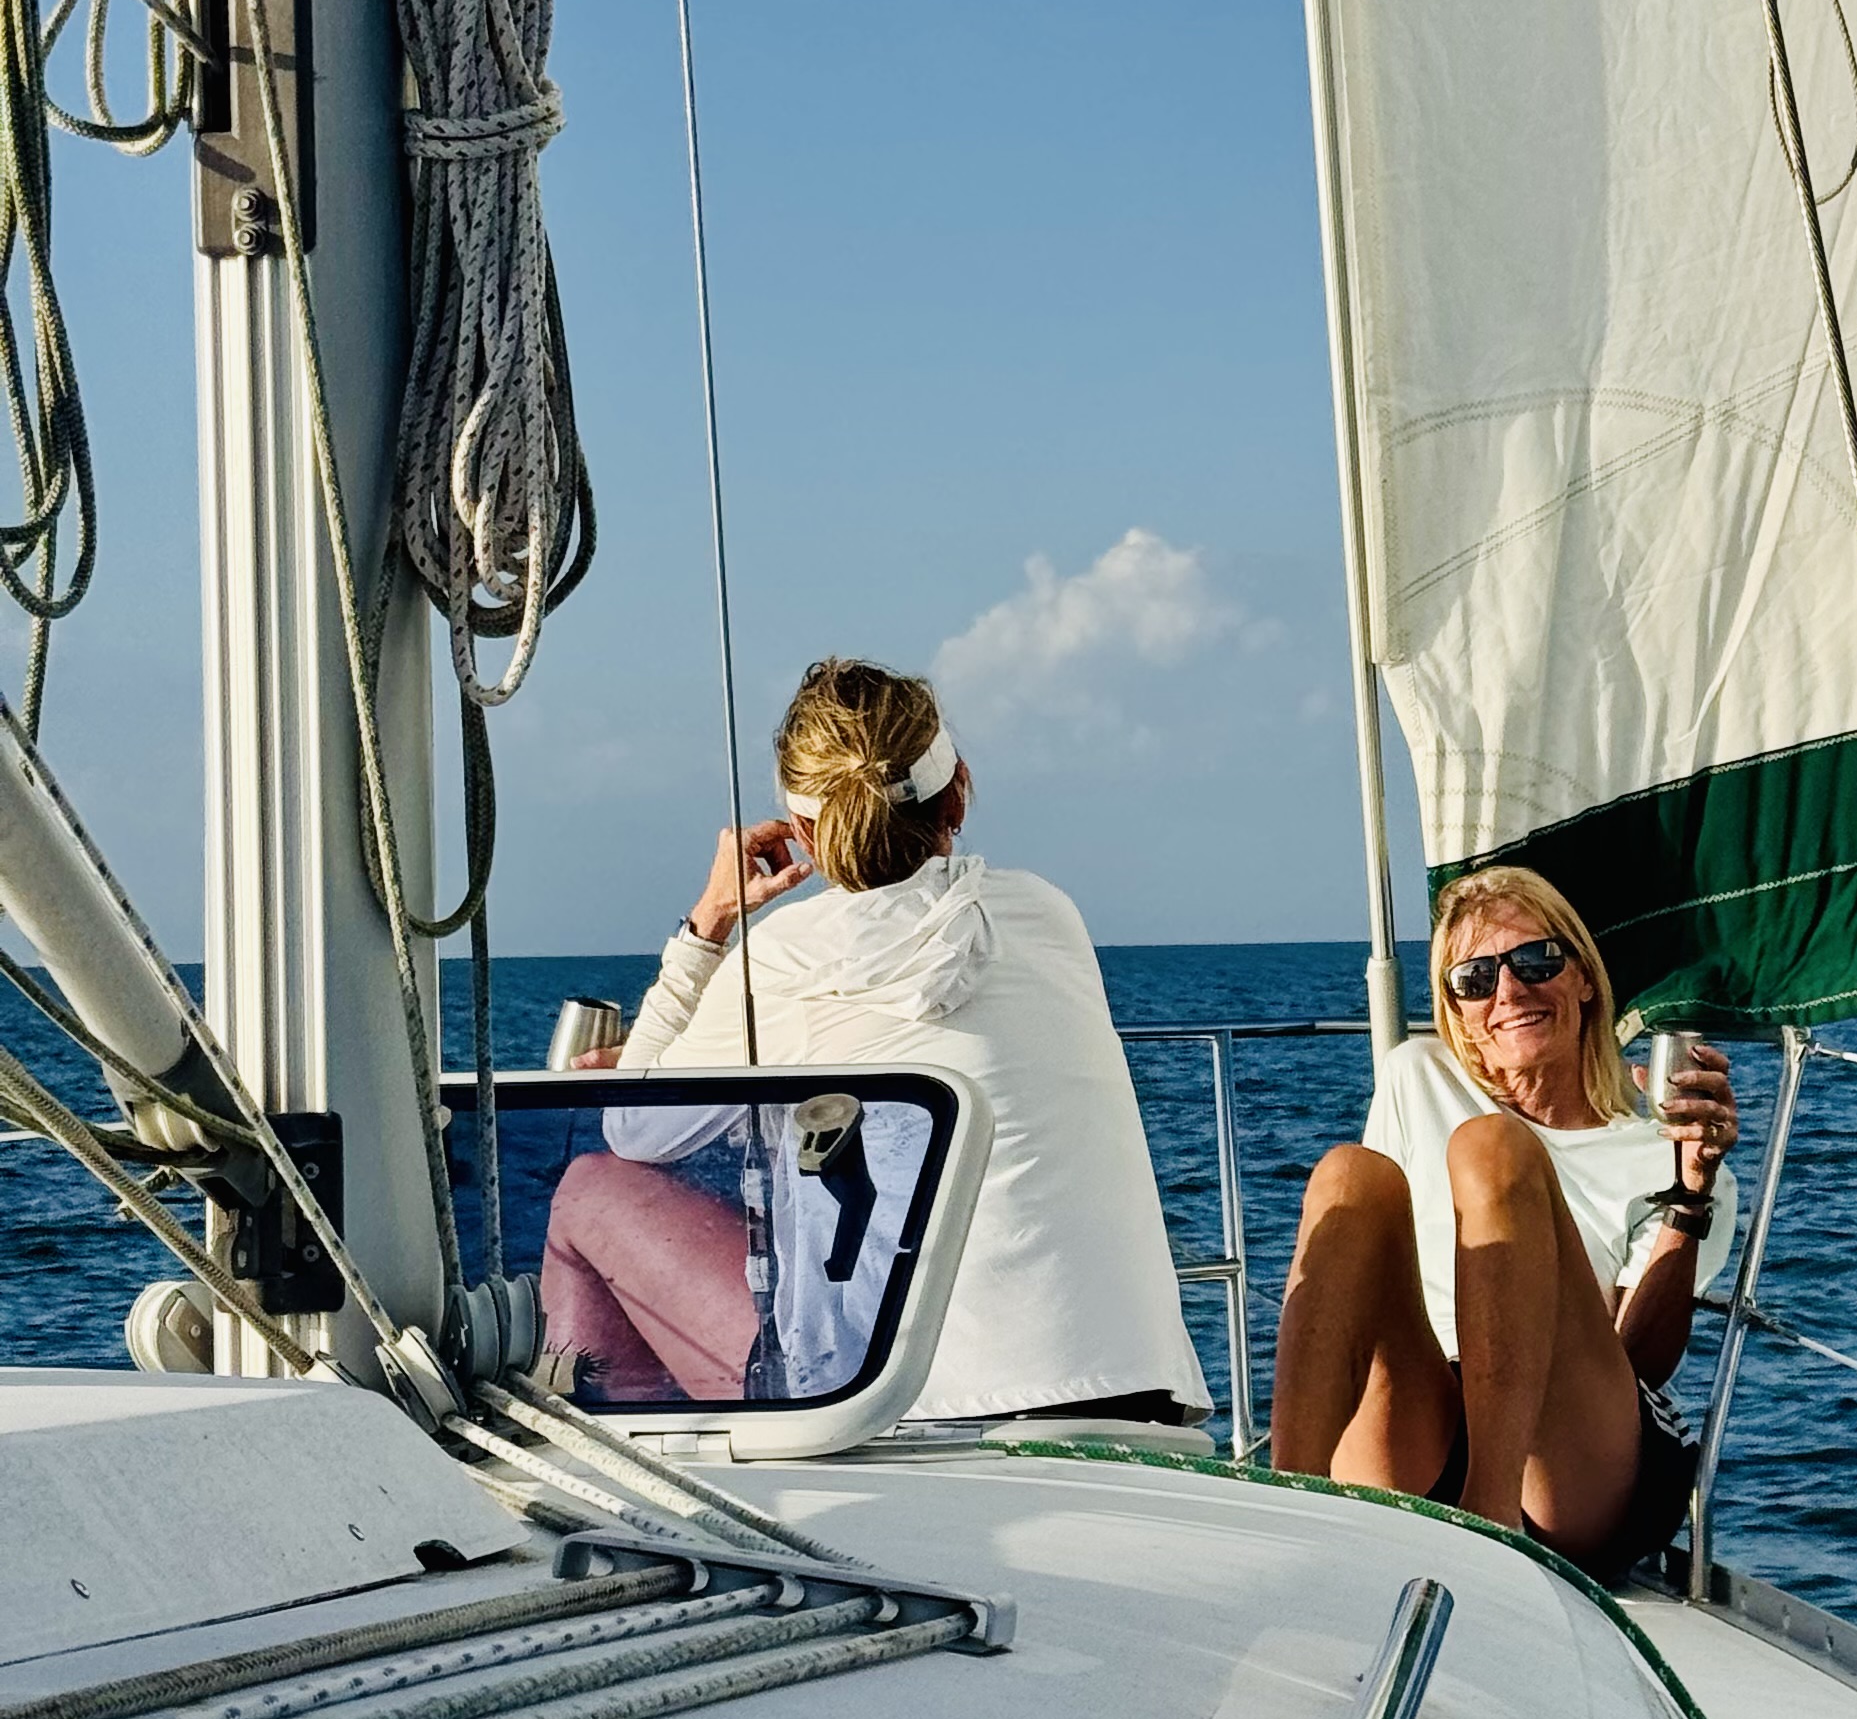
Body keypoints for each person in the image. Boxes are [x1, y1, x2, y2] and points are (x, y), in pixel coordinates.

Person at [540, 657, 1210, 1424]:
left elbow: (633, 1126)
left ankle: (618, 1486)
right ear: (957, 791)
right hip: (1137, 1401)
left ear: (802, 833)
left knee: (591, 1192)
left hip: (911, 1414)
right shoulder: (1046, 914)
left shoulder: (782, 961)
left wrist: (708, 926)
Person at [1270, 864, 1739, 1584]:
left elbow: (1641, 1361)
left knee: (1492, 1150)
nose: (1510, 992)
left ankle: (1490, 1531)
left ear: (1584, 977)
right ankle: (1284, 1520)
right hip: (1428, 1418)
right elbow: (1370, 1279)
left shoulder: (1668, 1148)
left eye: (1536, 961)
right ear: (1456, 1013)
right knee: (1347, 1176)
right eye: (1475, 979)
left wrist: (1691, 1194)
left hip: (1570, 1462)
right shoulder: (1415, 1075)